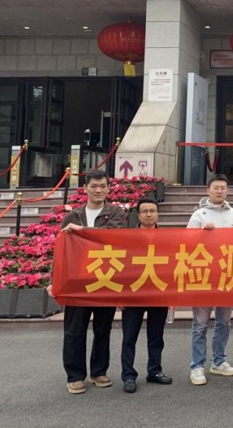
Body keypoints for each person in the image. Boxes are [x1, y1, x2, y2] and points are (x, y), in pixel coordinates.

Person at [51, 169, 127, 395]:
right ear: (85, 188)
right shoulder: (72, 216)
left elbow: (112, 236)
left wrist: (82, 231)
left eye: (103, 186)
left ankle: (98, 371)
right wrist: (53, 280)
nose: (98, 190)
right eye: (94, 186)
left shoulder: (116, 213)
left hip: (105, 280)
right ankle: (75, 375)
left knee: (103, 329)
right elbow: (61, 251)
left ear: (108, 189)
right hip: (77, 282)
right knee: (74, 331)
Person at [187, 174, 233, 386]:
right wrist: (203, 234)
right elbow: (186, 243)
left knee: (224, 322)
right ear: (208, 190)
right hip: (203, 275)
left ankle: (219, 361)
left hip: (227, 275)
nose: (219, 191)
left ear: (227, 191)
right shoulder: (198, 215)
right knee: (200, 324)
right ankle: (197, 365)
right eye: (216, 188)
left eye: (223, 188)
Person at [119, 198, 173, 393]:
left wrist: (172, 296)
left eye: (153, 211)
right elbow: (120, 266)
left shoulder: (167, 238)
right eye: (145, 211)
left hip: (158, 293)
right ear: (138, 215)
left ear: (158, 213)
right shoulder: (128, 238)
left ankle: (154, 371)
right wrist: (120, 296)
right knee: (129, 337)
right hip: (133, 294)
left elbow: (173, 266)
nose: (149, 214)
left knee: (156, 337)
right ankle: (128, 375)